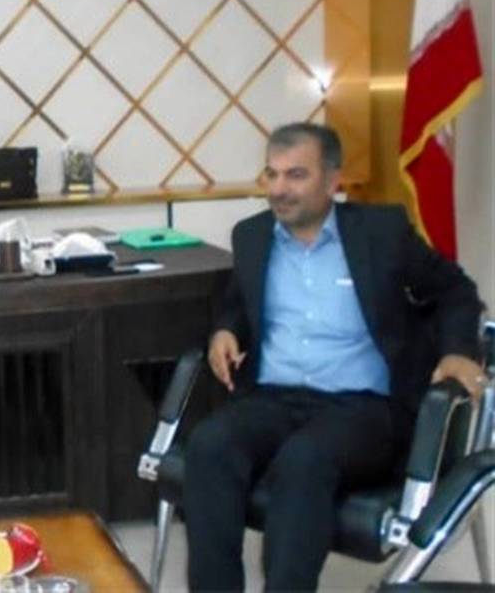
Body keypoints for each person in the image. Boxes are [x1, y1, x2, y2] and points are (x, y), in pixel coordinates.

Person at [184, 122, 485, 592]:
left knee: (304, 459)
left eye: (296, 175)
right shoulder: (252, 236)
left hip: (363, 407)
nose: (278, 189)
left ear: (332, 181)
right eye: (272, 174)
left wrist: (458, 352)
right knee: (209, 445)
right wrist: (226, 329)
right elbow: (241, 301)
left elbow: (455, 290)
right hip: (273, 399)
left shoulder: (380, 232)